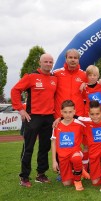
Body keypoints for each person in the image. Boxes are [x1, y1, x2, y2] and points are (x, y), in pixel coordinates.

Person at [11, 53, 57, 187]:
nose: (48, 64)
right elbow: (15, 90)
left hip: (49, 118)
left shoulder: (55, 78)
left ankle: (40, 174)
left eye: (50, 62)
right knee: (28, 148)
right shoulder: (31, 76)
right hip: (33, 116)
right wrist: (20, 109)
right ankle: (24, 177)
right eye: (46, 62)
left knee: (44, 147)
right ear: (40, 63)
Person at [51, 100, 85, 191]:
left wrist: (86, 148)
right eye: (65, 112)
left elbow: (89, 132)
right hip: (63, 157)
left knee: (76, 158)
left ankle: (78, 180)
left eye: (70, 112)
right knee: (67, 183)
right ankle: (79, 170)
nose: (68, 115)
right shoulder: (57, 125)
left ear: (74, 112)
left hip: (75, 153)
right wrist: (54, 161)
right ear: (61, 112)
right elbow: (53, 143)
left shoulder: (79, 124)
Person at [53, 49, 87, 119]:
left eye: (75, 58)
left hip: (78, 114)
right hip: (60, 115)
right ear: (66, 59)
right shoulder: (56, 73)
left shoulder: (84, 75)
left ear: (78, 60)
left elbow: (96, 87)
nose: (73, 60)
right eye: (70, 57)